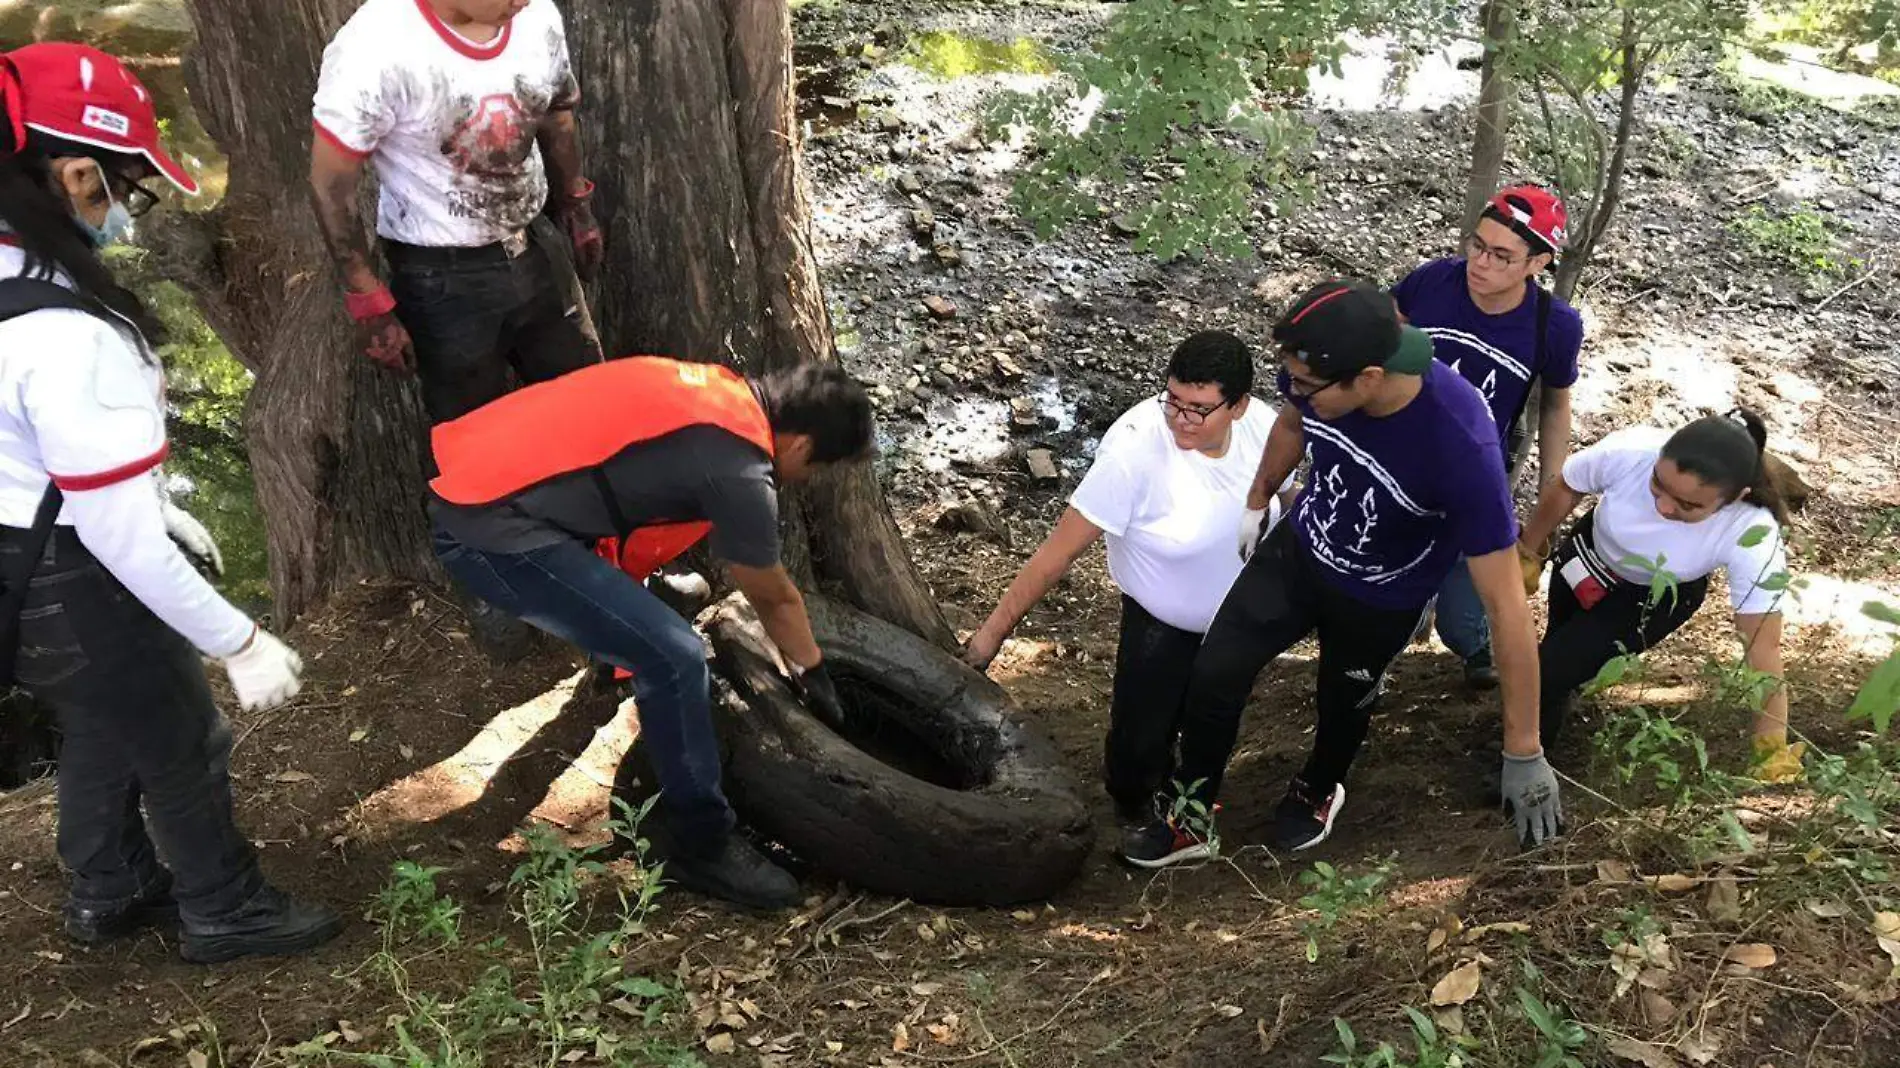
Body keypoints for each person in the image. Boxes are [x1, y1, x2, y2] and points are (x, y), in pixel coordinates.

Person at [0, 43, 340, 962]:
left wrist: (141, 497)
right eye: (125, 189)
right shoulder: (71, 339)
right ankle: (224, 908)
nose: (126, 213)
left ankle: (108, 887)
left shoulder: (11, 279)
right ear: (75, 174)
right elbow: (122, 540)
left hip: (20, 564)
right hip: (76, 573)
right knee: (185, 736)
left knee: (101, 716)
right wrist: (239, 640)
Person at [1121, 280, 1563, 868]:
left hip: (1383, 595)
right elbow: (1291, 423)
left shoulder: (1460, 447)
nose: (1294, 391)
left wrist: (1524, 750)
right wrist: (1259, 497)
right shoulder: (1317, 374)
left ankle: (1317, 787)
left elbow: (1507, 605)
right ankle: (1192, 815)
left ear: (1370, 379)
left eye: (1307, 386)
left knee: (1342, 702)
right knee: (1214, 671)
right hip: (1302, 550)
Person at [428, 356, 873, 909]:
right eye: (819, 468)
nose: (809, 479)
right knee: (674, 656)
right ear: (803, 446)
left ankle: (620, 616)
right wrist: (812, 672)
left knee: (668, 612)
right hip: (490, 530)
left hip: (485, 477)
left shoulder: (717, 391)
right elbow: (774, 595)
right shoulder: (738, 469)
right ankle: (697, 844)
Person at [962, 332, 1296, 828]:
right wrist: (988, 639)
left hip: (1237, 622)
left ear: (1239, 406)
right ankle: (1133, 805)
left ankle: (1187, 816)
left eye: (1199, 409)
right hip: (1160, 624)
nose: (1181, 419)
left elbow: (1288, 500)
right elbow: (1057, 553)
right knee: (1140, 743)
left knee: (1211, 720)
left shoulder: (1266, 428)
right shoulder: (1134, 453)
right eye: (1174, 402)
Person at [308, 0, 604, 423]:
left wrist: (576, 207)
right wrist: (369, 302)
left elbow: (556, 115)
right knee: (476, 439)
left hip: (538, 247)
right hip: (442, 281)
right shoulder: (374, 48)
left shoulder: (536, 16)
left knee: (588, 405)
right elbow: (331, 185)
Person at [1516, 410, 1804, 780]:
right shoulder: (1632, 449)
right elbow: (1568, 485)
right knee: (1558, 642)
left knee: (1547, 671)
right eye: (1657, 485)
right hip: (1587, 555)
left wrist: (1771, 746)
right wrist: (1529, 550)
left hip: (1653, 598)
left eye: (1688, 506)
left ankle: (1525, 759)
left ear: (1735, 498)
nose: (1664, 507)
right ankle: (1553, 699)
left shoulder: (1752, 533)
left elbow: (1763, 647)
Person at [1392, 185, 1584, 689]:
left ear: (1537, 262)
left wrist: (1552, 482)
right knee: (1391, 573)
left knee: (1466, 594)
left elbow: (1556, 402)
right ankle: (1389, 635)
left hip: (1474, 473)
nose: (1481, 263)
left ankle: (1473, 643)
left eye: (1502, 256)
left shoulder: (1553, 325)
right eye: (1477, 245)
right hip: (1397, 457)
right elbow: (1382, 339)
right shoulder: (1433, 282)